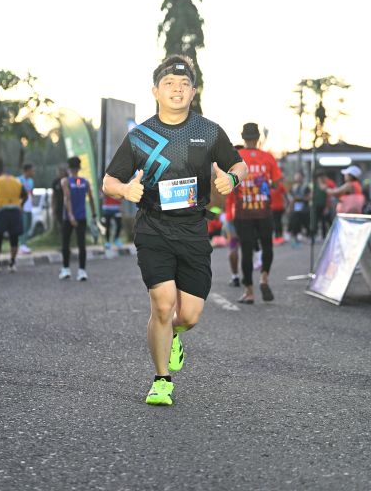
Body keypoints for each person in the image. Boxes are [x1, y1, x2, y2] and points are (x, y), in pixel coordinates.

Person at [103, 54, 247, 406]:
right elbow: (109, 181)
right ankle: (161, 380)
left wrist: (232, 179)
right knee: (163, 305)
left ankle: (174, 336)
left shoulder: (209, 131)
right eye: (168, 83)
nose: (177, 89)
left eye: (184, 84)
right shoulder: (140, 136)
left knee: (190, 316)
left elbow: (239, 165)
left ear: (193, 92)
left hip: (194, 229)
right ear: (156, 91)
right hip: (153, 228)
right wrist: (124, 190)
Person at [233, 122, 282, 304]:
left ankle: (249, 292)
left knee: (246, 251)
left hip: (243, 212)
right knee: (267, 246)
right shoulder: (268, 157)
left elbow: (229, 183)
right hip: (264, 211)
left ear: (243, 137)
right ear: (258, 137)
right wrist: (263, 183)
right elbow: (276, 184)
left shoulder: (235, 157)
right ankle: (264, 278)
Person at [59, 156, 97, 282]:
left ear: (68, 167)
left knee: (66, 243)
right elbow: (91, 198)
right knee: (82, 244)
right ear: (79, 167)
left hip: (68, 217)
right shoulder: (85, 182)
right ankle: (82, 271)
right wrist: (94, 213)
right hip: (81, 217)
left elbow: (67, 198)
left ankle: (66, 269)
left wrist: (70, 215)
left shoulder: (65, 181)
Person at [0, 165, 27, 272]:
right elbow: (25, 196)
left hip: (1, 212)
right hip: (15, 212)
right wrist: (21, 205)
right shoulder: (17, 182)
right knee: (14, 238)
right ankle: (12, 263)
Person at [287, 171, 311, 247]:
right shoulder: (293, 187)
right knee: (295, 224)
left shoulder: (306, 187)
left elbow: (309, 197)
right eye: (296, 177)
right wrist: (290, 207)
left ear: (302, 178)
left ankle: (308, 236)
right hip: (295, 209)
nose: (297, 178)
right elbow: (290, 198)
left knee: (306, 223)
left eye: (299, 177)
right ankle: (296, 238)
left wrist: (300, 198)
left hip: (304, 209)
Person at [18, 163, 35, 254]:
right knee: (23, 225)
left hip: (29, 206)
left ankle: (25, 244)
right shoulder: (19, 180)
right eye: (32, 170)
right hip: (22, 206)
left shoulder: (31, 181)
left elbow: (31, 192)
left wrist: (32, 202)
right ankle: (22, 245)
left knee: (28, 225)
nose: (33, 172)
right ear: (27, 171)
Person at [51, 165, 68, 233]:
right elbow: (53, 196)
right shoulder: (55, 182)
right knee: (61, 222)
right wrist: (53, 208)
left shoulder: (68, 180)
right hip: (59, 205)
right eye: (59, 172)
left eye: (61, 171)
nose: (60, 173)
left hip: (67, 205)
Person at [270, 179, 286, 244]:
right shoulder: (280, 185)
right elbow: (284, 195)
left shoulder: (269, 187)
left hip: (274, 208)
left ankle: (278, 237)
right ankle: (279, 236)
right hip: (279, 207)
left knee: (276, 222)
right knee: (278, 222)